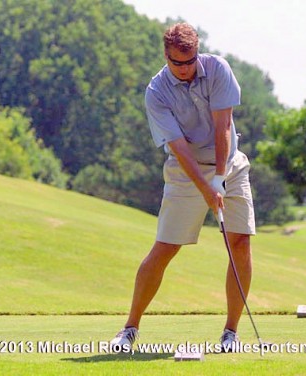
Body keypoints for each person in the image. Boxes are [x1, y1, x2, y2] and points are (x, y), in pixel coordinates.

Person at [110, 22, 255, 350]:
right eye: (178, 63)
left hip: (228, 164)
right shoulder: (156, 92)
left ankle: (230, 333)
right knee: (165, 247)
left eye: (190, 62)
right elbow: (178, 146)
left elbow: (223, 126)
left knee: (240, 243)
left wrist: (219, 177)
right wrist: (206, 188)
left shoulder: (217, 69)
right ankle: (130, 328)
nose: (186, 69)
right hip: (185, 170)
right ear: (166, 56)